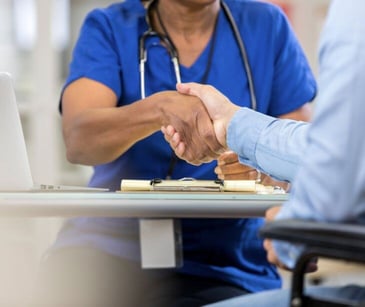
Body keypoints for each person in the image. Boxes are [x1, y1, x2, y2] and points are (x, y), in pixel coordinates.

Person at [30, 0, 316, 306]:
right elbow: (79, 140)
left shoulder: (266, 25)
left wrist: (262, 168)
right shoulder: (111, 26)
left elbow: (301, 152)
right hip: (108, 246)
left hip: (225, 261)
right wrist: (159, 108)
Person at [162, 0, 365, 305]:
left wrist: (292, 228)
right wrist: (231, 125)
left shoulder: (352, 14)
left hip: (235, 259)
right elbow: (334, 146)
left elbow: (337, 183)